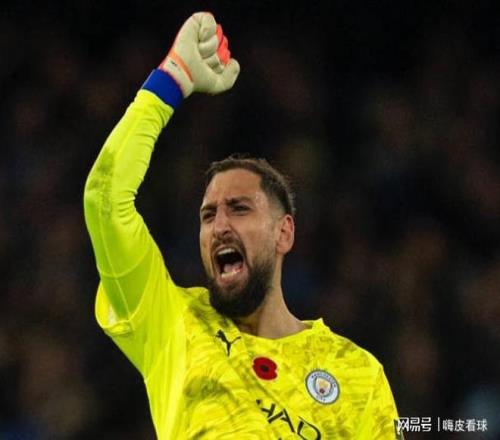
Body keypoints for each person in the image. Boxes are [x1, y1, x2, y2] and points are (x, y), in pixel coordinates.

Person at [84, 12, 401, 440]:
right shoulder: (172, 322)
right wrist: (170, 82)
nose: (219, 226)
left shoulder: (358, 374)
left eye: (239, 209)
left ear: (284, 232)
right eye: (208, 215)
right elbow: (105, 199)